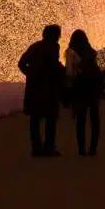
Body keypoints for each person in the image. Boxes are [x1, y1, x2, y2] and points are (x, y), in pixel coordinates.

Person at [18, 24, 65, 157]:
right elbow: (53, 66)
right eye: (58, 34)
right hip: (49, 89)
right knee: (50, 119)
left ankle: (36, 148)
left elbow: (21, 63)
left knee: (35, 119)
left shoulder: (35, 46)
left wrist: (30, 74)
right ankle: (49, 147)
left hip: (35, 89)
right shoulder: (54, 47)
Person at [65, 29, 102, 156]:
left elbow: (69, 72)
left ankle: (81, 149)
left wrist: (69, 90)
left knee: (81, 119)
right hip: (93, 89)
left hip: (80, 88)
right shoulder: (91, 52)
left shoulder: (71, 52)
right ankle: (93, 148)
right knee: (94, 119)